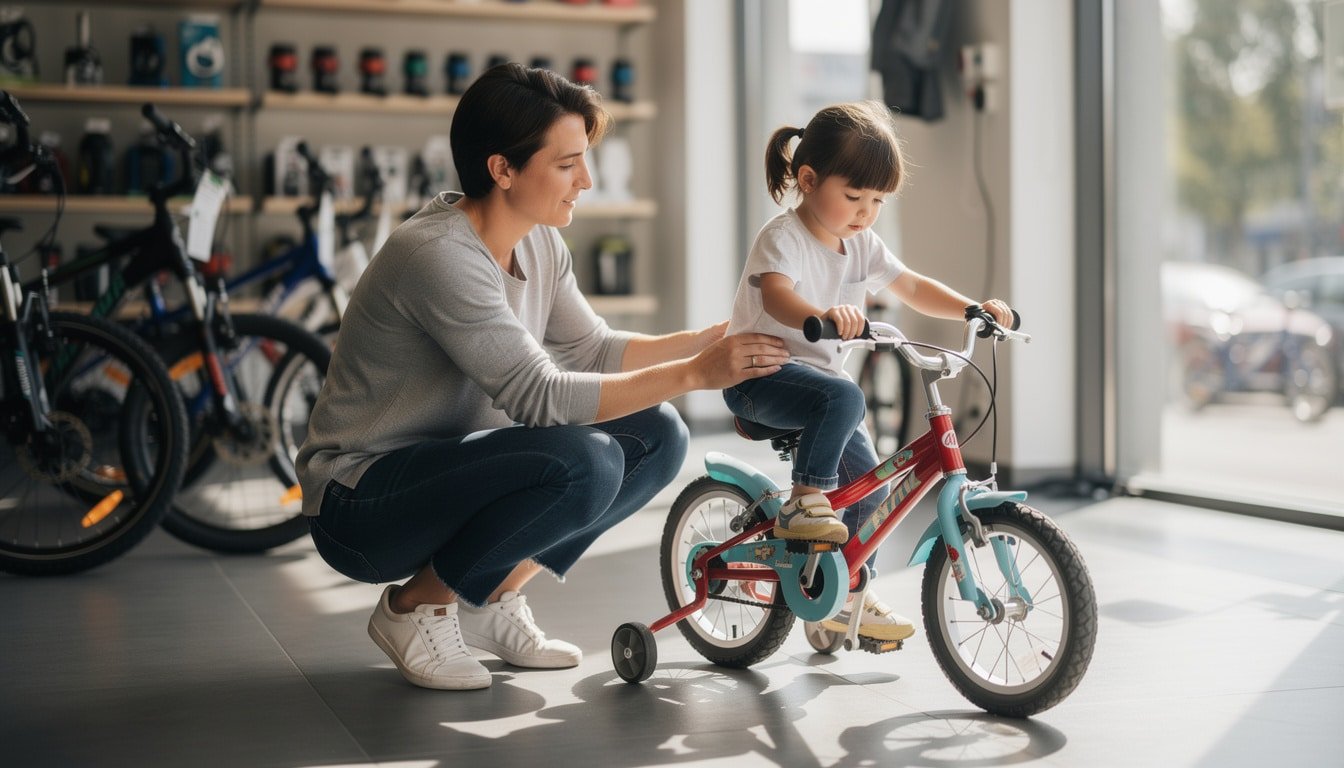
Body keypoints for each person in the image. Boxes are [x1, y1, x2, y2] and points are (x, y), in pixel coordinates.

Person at [295, 63, 789, 691]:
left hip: (449, 470)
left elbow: (590, 348)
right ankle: (415, 607)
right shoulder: (438, 255)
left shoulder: (539, 241)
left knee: (658, 435)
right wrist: (695, 372)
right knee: (586, 460)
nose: (586, 180)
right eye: (567, 164)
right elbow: (543, 395)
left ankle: (494, 597)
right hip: (362, 503)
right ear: (502, 169)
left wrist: (713, 339)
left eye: (585, 160)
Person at [722, 100, 1013, 643]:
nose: (865, 211)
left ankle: (844, 592)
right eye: (853, 196)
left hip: (824, 392)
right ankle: (804, 504)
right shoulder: (781, 238)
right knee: (846, 399)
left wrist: (971, 307)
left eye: (877, 200)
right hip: (760, 380)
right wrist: (822, 316)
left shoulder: (862, 244)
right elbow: (781, 297)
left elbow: (912, 286)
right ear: (808, 180)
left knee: (872, 490)